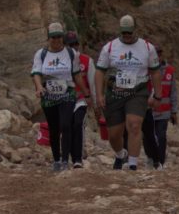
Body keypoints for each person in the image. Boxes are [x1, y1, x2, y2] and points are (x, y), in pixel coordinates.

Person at [95, 14, 161, 171]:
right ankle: (120, 154)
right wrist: (99, 94)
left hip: (138, 92)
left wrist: (158, 95)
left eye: (129, 32)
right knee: (114, 134)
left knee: (134, 125)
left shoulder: (147, 48)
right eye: (124, 32)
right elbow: (100, 71)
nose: (127, 35)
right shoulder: (110, 47)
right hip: (115, 93)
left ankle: (132, 164)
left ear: (135, 30)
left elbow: (155, 72)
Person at [31, 22, 89, 173]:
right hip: (49, 95)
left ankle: (64, 160)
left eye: (58, 37)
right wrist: (39, 87)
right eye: (53, 37)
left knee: (66, 124)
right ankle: (56, 159)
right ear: (48, 38)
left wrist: (86, 93)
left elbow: (77, 75)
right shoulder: (41, 54)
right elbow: (36, 73)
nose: (56, 40)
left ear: (62, 37)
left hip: (67, 93)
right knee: (54, 128)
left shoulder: (71, 54)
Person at [142, 45, 178, 170]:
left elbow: (173, 92)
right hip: (148, 111)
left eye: (159, 54)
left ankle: (160, 162)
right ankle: (150, 158)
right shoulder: (145, 70)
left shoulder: (170, 71)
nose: (157, 57)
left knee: (161, 136)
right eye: (155, 54)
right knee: (147, 136)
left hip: (164, 112)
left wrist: (174, 111)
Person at [63, 31, 93, 169]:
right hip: (65, 99)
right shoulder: (60, 61)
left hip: (81, 99)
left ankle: (77, 159)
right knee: (67, 126)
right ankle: (68, 155)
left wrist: (92, 99)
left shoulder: (86, 61)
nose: (73, 47)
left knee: (78, 124)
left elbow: (92, 81)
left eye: (75, 44)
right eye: (70, 45)